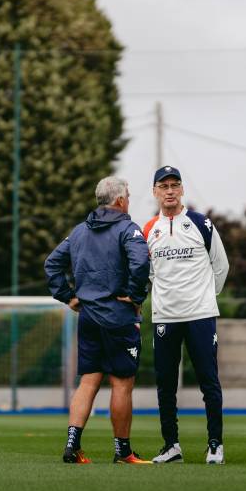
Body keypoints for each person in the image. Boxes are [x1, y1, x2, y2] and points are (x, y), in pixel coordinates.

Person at [45, 176, 152, 464]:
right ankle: (122, 451)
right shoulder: (128, 229)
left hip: (89, 318)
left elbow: (51, 263)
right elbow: (141, 263)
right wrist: (135, 295)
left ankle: (72, 447)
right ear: (119, 200)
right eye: (127, 195)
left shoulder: (79, 231)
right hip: (118, 318)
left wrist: (68, 296)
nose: (128, 200)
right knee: (121, 384)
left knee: (88, 382)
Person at [142, 166, 230, 464]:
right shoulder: (148, 228)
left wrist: (205, 298)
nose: (169, 191)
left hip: (201, 315)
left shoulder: (200, 223)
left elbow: (221, 266)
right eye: (163, 186)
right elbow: (149, 274)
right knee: (165, 384)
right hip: (166, 317)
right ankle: (171, 445)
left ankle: (215, 445)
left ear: (182, 190)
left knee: (209, 380)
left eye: (174, 185)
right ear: (155, 191)